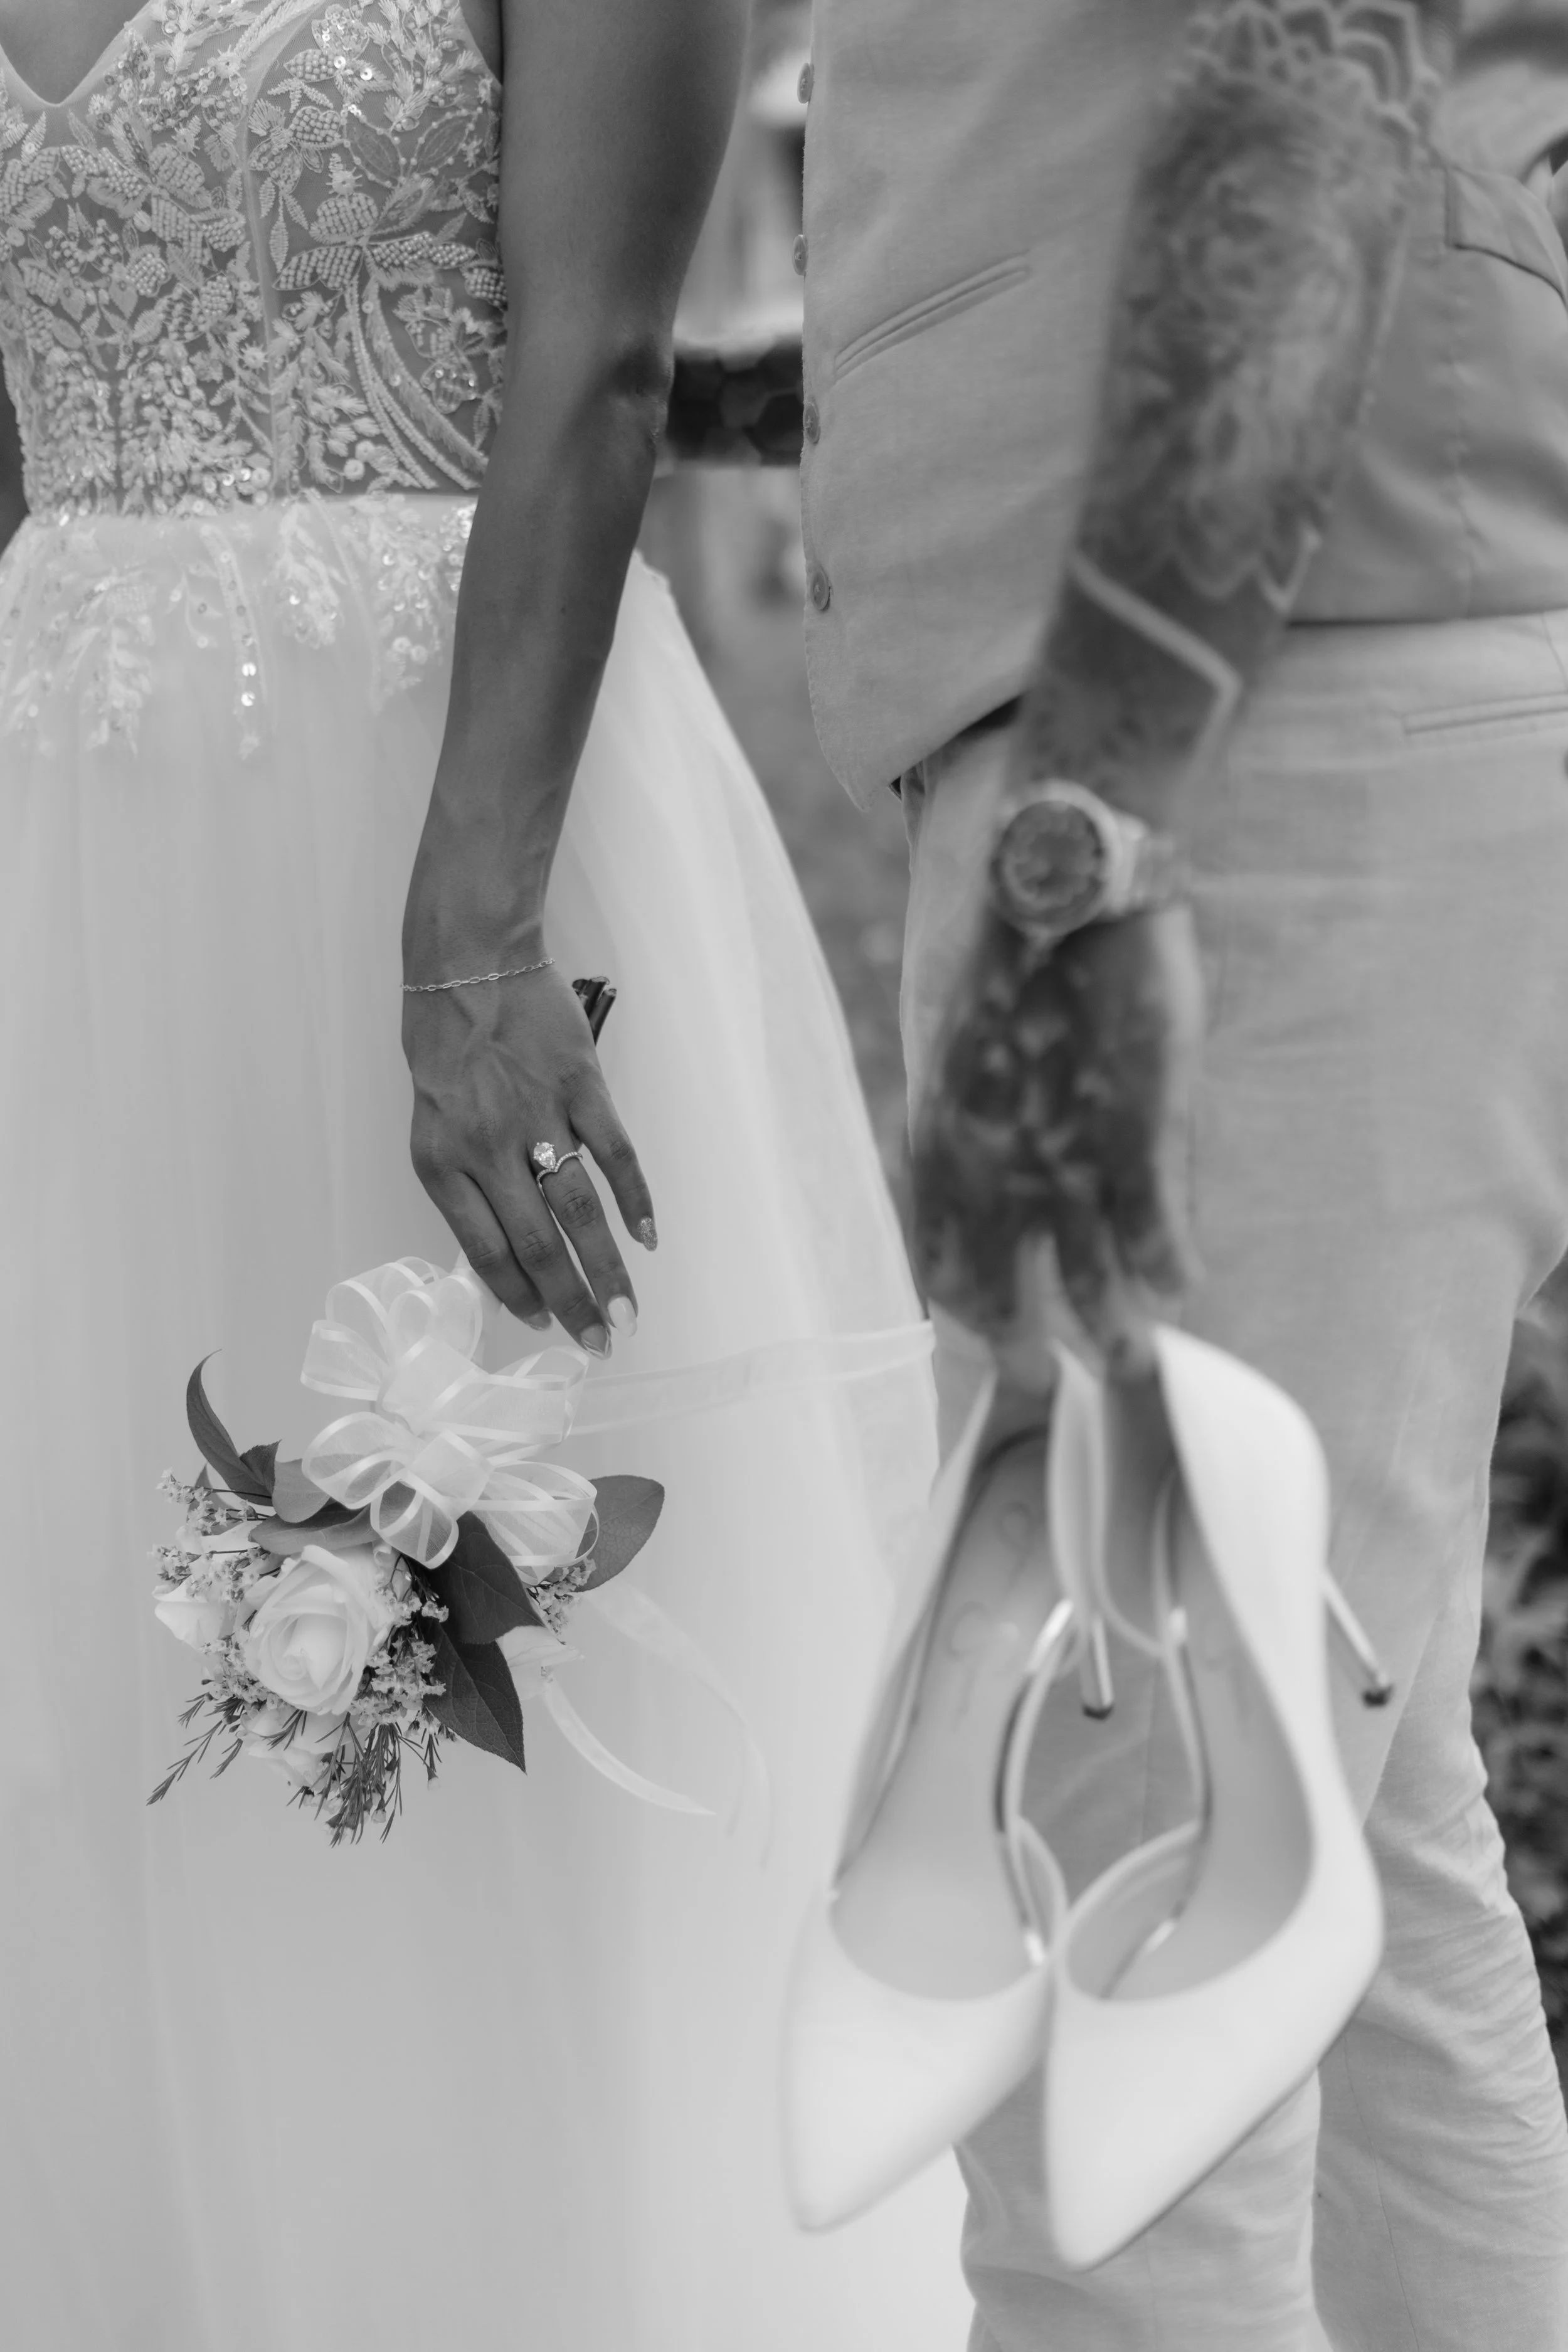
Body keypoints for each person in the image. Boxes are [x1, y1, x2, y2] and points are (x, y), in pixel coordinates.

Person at [0, 3, 970, 2345]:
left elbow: (602, 365)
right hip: (77, 835)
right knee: (105, 1646)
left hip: (451, 802)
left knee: (480, 1634)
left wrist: (467, 941)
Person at [800, 0, 1568, 2343]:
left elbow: (1308, 59)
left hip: (1226, 690)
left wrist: (1088, 822)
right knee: (1346, 1801)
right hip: (1287, 644)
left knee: (1117, 1883)